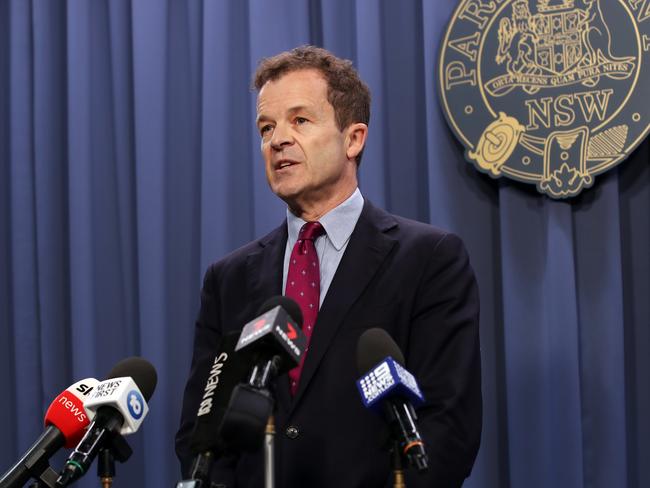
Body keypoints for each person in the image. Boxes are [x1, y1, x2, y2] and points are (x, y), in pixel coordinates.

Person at [176, 45, 481, 488]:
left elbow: (448, 426)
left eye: (299, 121)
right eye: (266, 127)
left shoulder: (429, 259)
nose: (277, 139)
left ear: (353, 138)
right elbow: (199, 435)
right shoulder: (229, 279)